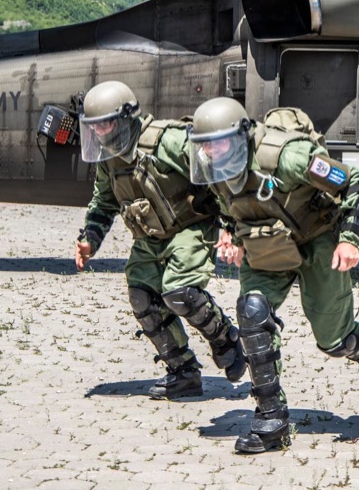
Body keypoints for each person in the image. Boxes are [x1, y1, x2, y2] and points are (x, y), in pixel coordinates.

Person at [187, 98, 359, 454]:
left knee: (333, 340)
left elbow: (357, 184)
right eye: (205, 145)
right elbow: (225, 204)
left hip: (319, 238)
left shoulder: (287, 156)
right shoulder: (211, 162)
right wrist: (229, 233)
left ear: (241, 136)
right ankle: (271, 420)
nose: (211, 151)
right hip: (268, 242)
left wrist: (348, 240)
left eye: (219, 142)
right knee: (252, 314)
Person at [74, 81, 245, 400]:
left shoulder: (168, 142)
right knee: (142, 296)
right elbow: (104, 201)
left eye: (106, 124)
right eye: (94, 128)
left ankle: (224, 338)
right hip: (150, 236)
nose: (100, 133)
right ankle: (183, 372)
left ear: (126, 119)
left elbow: (219, 178)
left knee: (179, 292)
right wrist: (90, 240)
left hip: (190, 227)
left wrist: (232, 229)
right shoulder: (108, 156)